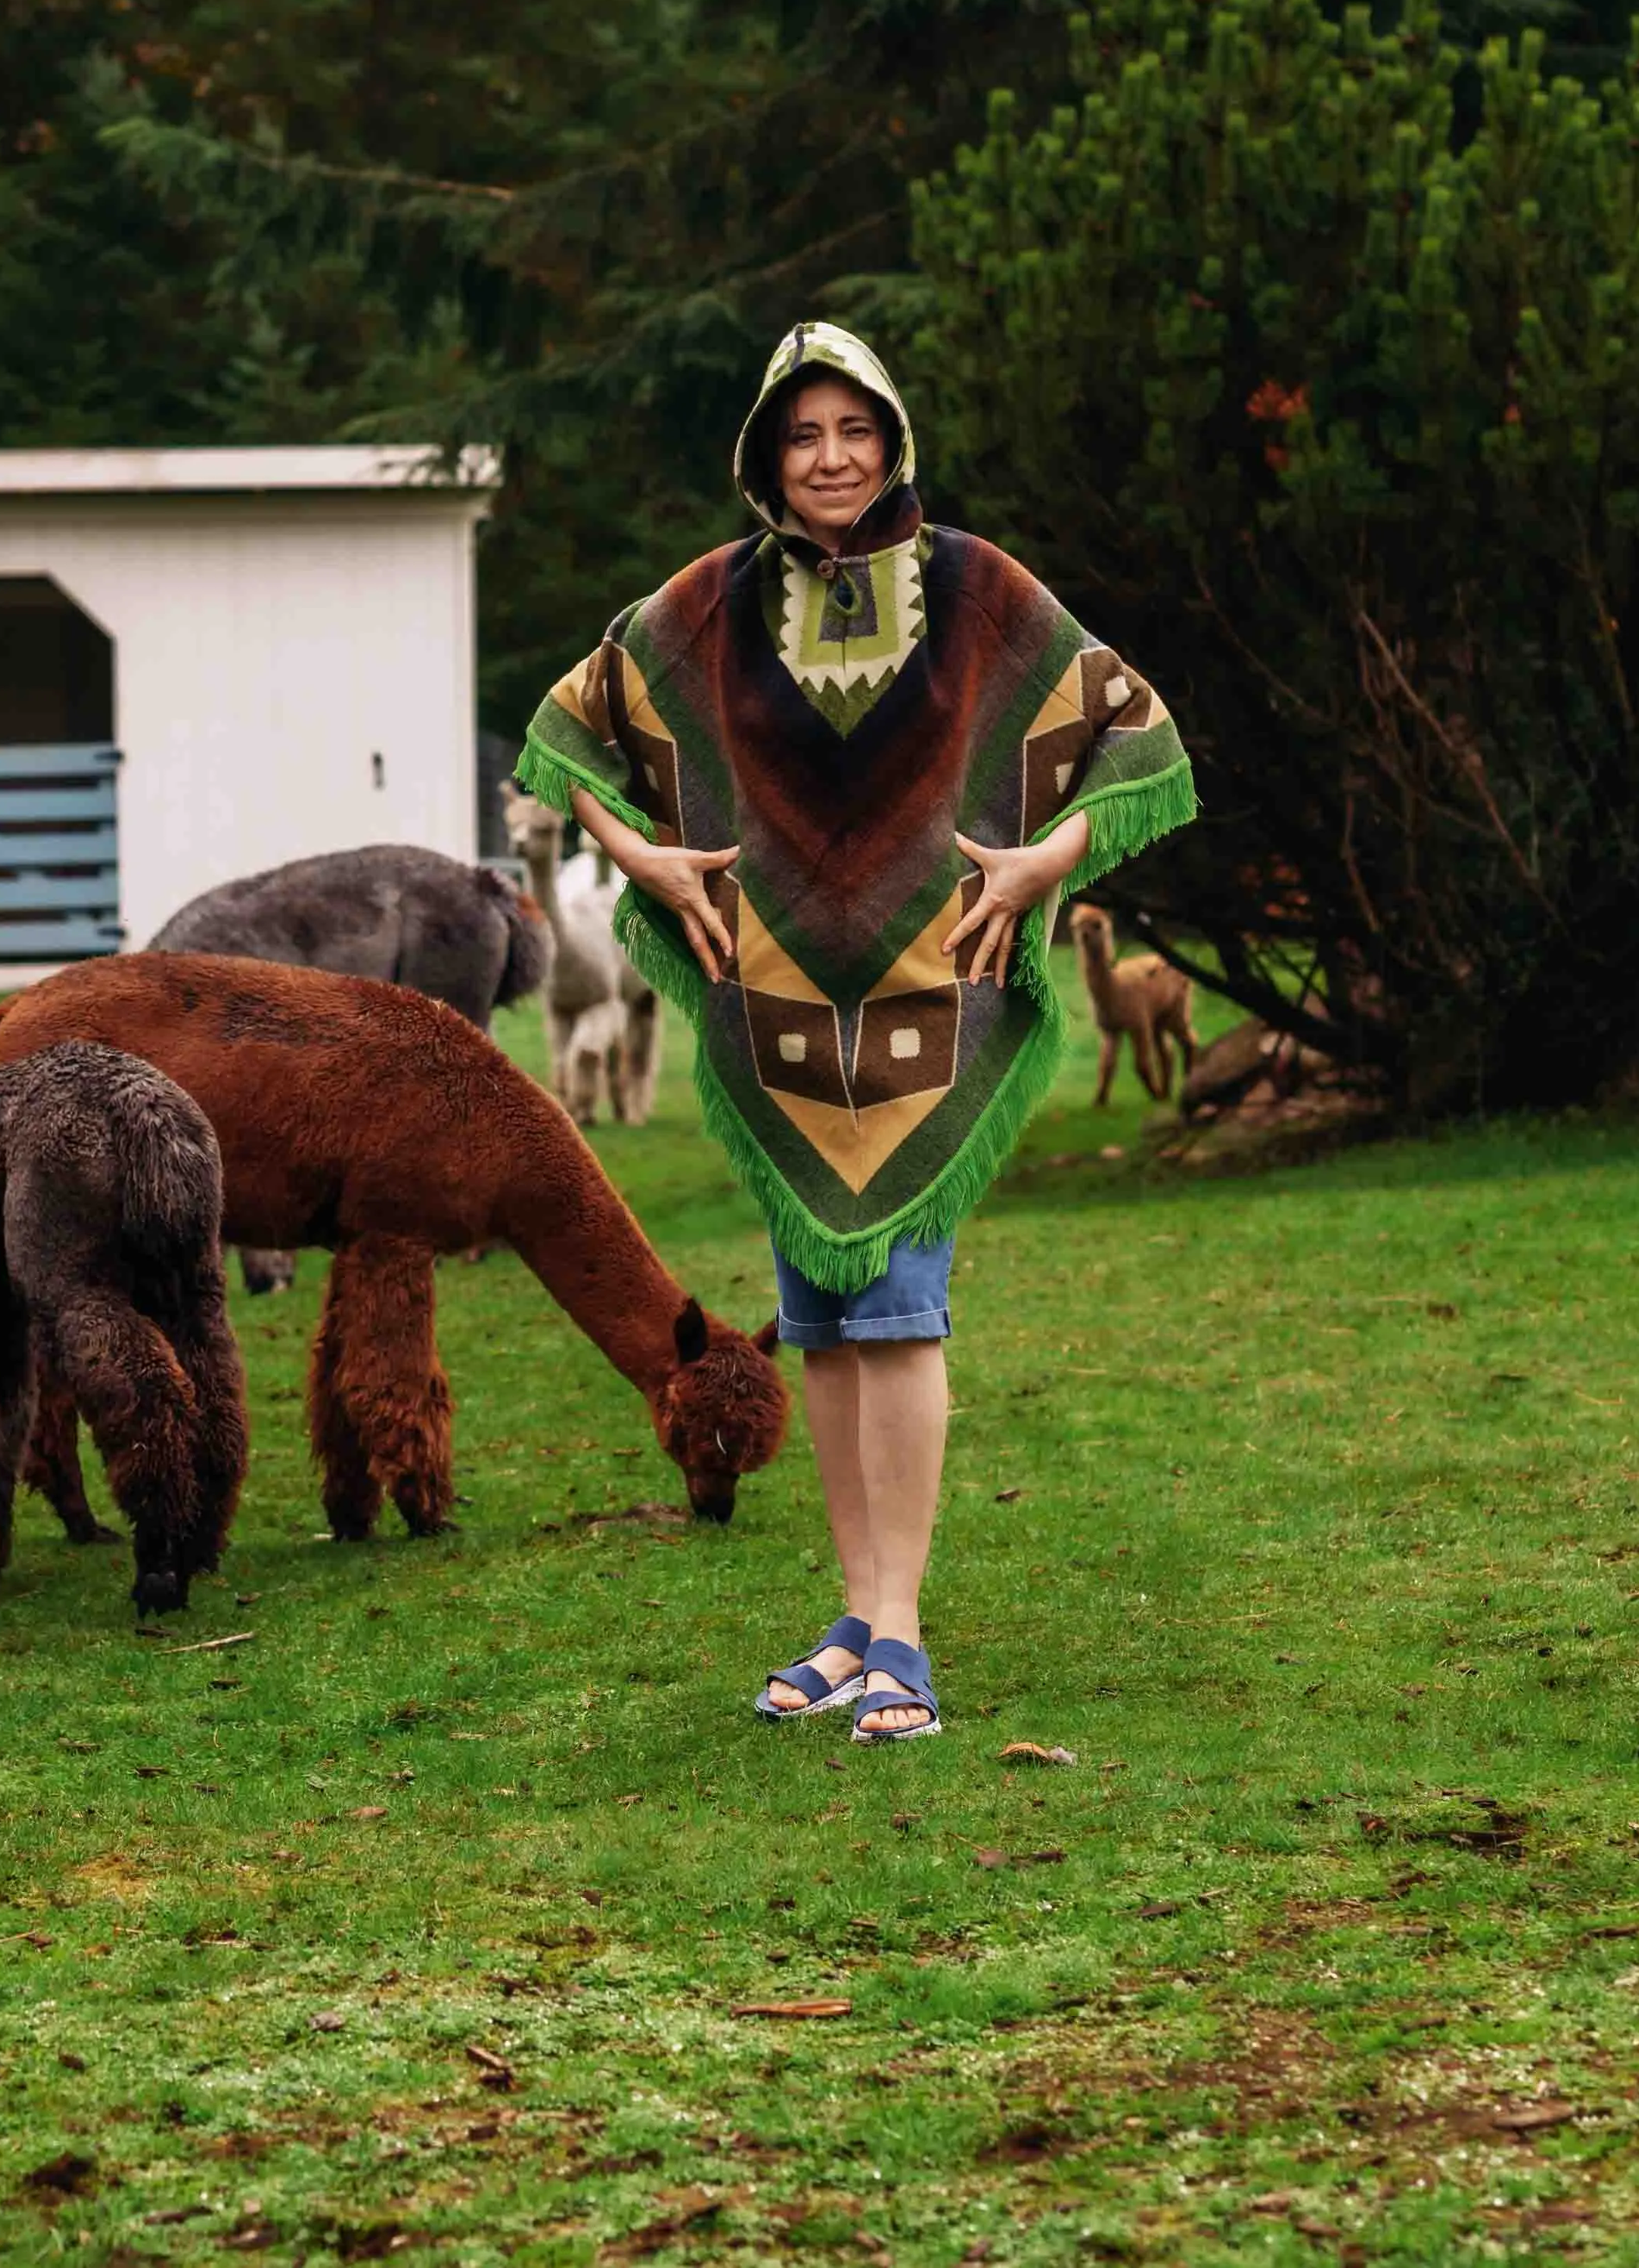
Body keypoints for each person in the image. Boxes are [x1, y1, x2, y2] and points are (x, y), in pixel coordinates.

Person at [511, 321, 1196, 1742]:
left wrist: (1034, 868)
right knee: (823, 1327)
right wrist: (637, 859)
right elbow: (574, 728)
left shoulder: (975, 588)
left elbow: (1133, 733)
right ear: (769, 456)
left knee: (901, 1317)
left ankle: (905, 1632)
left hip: (930, 1009)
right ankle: (853, 1613)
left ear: (892, 439)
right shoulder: (712, 604)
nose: (832, 459)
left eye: (854, 431)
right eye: (802, 436)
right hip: (775, 1021)